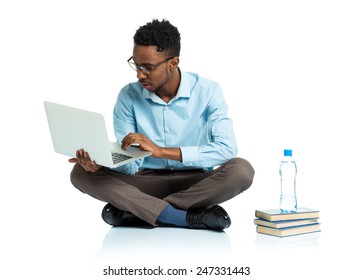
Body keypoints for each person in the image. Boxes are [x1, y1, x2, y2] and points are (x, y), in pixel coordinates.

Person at [69, 19, 254, 231]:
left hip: (197, 183)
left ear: (173, 63)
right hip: (145, 183)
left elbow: (226, 149)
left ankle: (139, 211)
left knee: (242, 170)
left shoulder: (207, 91)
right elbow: (130, 166)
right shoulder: (128, 96)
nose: (139, 74)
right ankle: (180, 217)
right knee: (80, 173)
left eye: (148, 67)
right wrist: (101, 163)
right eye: (136, 65)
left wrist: (161, 151)